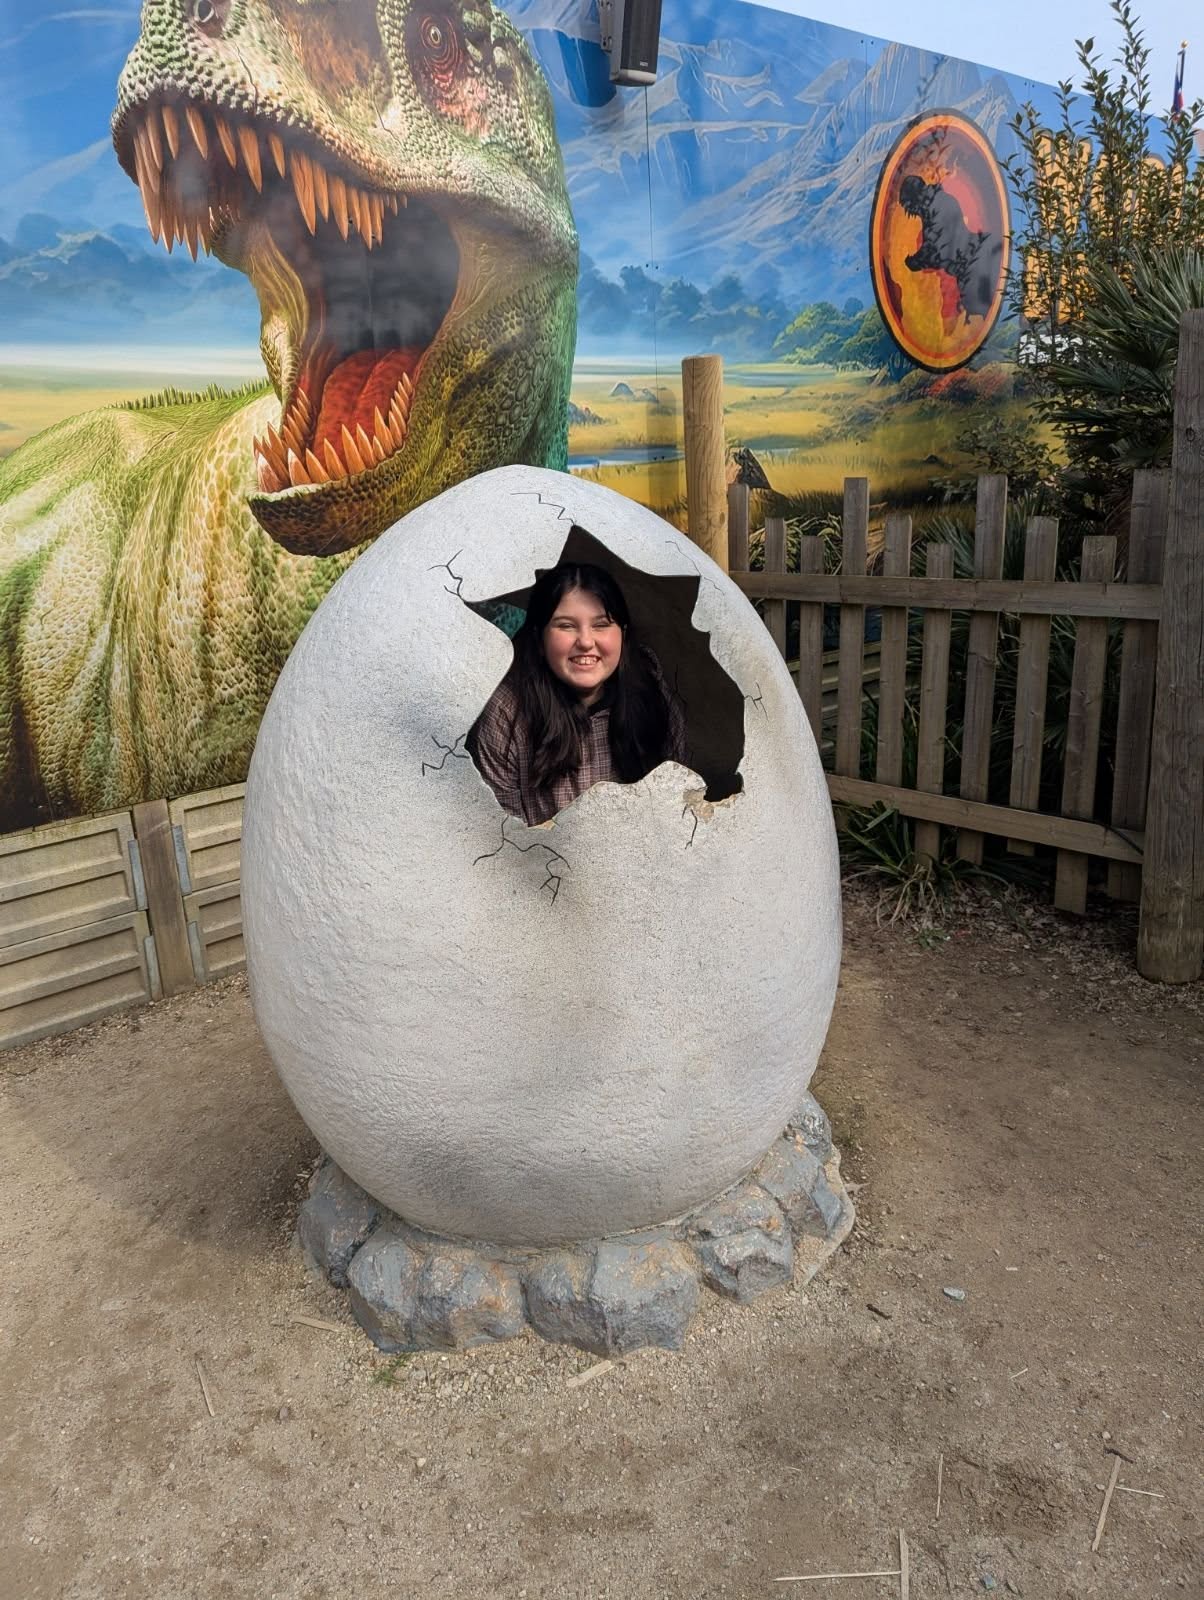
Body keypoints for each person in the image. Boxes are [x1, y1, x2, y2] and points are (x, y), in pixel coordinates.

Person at [468, 561, 687, 826]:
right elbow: (501, 831)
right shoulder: (507, 713)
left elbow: (675, 799)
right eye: (566, 626)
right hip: (540, 863)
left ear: (623, 634)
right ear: (539, 639)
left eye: (601, 624)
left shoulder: (650, 690)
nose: (585, 641)